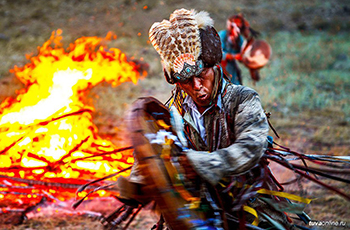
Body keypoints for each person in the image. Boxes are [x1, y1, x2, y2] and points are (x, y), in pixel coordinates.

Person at [120, 9, 294, 229]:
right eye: (187, 82)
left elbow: (251, 148)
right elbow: (150, 151)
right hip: (197, 214)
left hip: (247, 210)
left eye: (202, 76)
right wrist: (138, 182)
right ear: (176, 82)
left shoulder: (243, 99)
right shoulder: (171, 113)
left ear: (215, 67)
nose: (197, 87)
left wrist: (203, 163)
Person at [218, 14, 261, 85]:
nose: (237, 30)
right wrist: (233, 56)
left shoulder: (239, 40)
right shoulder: (222, 35)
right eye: (236, 27)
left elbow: (243, 54)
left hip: (232, 71)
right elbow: (218, 54)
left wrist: (250, 63)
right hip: (219, 69)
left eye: (239, 28)